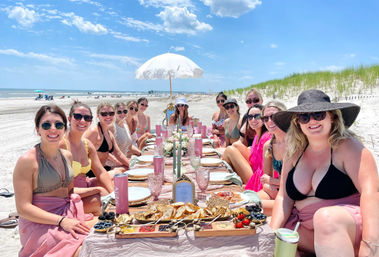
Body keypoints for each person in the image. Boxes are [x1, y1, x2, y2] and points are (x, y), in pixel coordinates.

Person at [270, 89, 379, 257]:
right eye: (304, 117)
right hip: (306, 229)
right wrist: (272, 234)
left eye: (319, 114)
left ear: (332, 116)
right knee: (277, 234)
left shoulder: (348, 147)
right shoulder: (293, 153)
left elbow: (371, 194)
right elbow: (284, 198)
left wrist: (370, 245)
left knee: (325, 218)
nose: (311, 121)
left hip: (345, 227)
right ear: (297, 122)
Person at [14, 104, 92, 257]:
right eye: (46, 125)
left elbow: (69, 192)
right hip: (39, 222)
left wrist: (95, 190)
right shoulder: (27, 161)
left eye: (58, 124)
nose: (53, 129)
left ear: (64, 128)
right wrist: (61, 221)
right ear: (38, 130)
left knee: (103, 233)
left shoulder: (66, 156)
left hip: (66, 213)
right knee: (83, 250)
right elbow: (23, 208)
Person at [60, 101, 114, 215]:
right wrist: (97, 190)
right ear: (69, 119)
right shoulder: (62, 145)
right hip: (67, 198)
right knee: (99, 201)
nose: (83, 121)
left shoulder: (87, 144)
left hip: (84, 189)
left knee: (117, 183)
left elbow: (100, 172)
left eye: (87, 118)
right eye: (78, 117)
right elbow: (63, 190)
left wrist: (113, 193)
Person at [223, 104, 271, 187]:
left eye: (257, 116)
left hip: (258, 178)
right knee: (235, 145)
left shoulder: (266, 138)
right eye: (250, 117)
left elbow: (265, 170)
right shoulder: (257, 135)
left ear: (263, 118)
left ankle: (225, 179)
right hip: (254, 170)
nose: (253, 120)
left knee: (230, 150)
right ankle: (227, 177)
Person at [256, 100, 287, 216]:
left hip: (292, 197)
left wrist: (272, 182)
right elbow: (265, 179)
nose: (270, 121)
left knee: (251, 208)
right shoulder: (268, 146)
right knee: (246, 201)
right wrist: (272, 184)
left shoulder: (294, 143)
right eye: (265, 118)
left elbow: (294, 182)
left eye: (274, 116)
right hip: (276, 191)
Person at [84, 102, 129, 177]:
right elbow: (80, 153)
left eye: (111, 113)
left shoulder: (109, 134)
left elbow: (119, 154)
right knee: (119, 172)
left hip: (102, 169)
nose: (108, 116)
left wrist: (131, 166)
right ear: (98, 116)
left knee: (125, 168)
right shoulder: (94, 132)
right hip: (91, 173)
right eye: (104, 114)